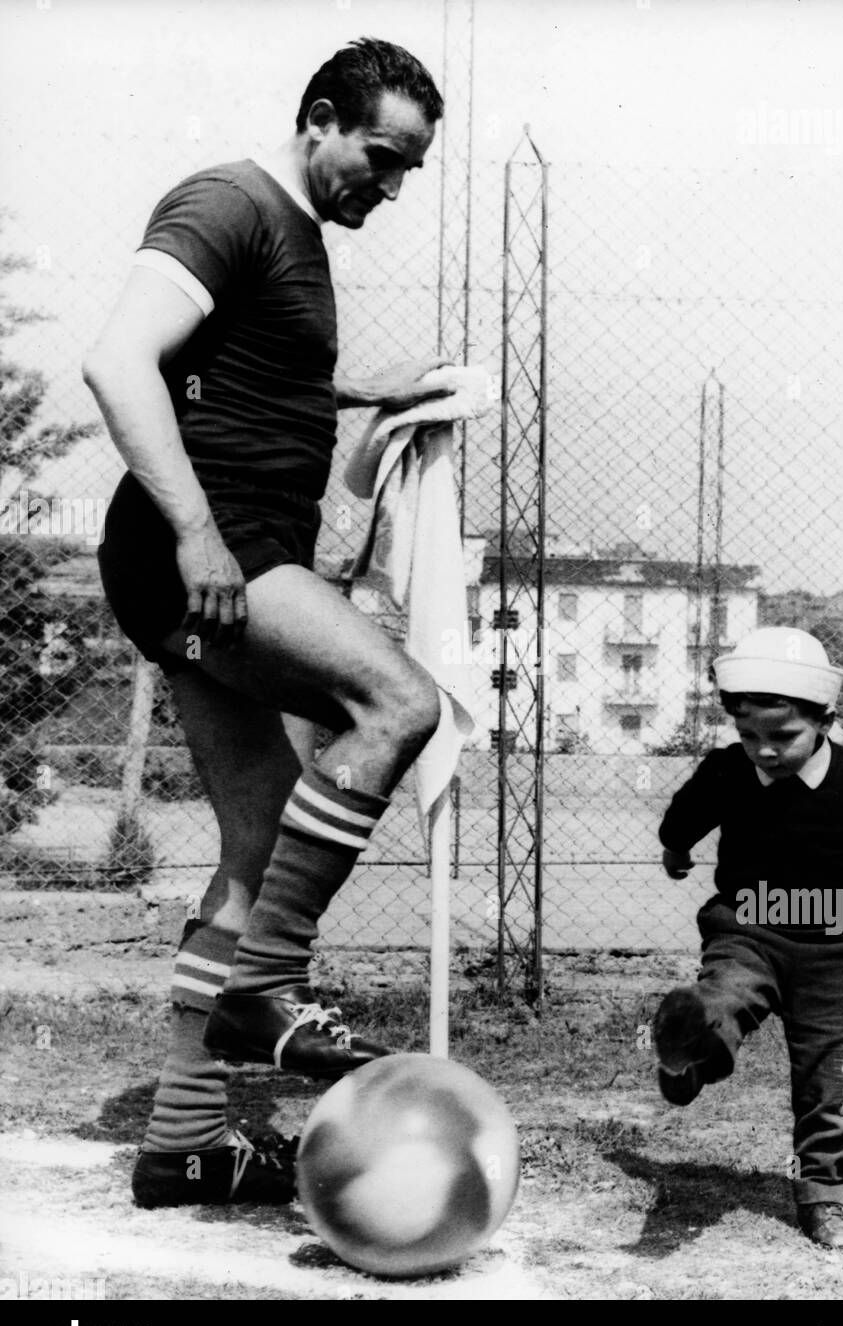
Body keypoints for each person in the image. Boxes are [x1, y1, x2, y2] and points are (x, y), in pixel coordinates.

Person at [83, 38, 452, 1208]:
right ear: (320, 119)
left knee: (255, 842)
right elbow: (119, 361)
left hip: (237, 557)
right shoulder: (230, 202)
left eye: (407, 173)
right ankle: (268, 988)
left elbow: (241, 369)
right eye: (380, 159)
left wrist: (361, 388)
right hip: (214, 553)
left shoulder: (290, 237)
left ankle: (183, 1140)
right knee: (400, 703)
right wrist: (197, 535)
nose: (387, 189)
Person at [653, 626, 843, 1248]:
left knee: (837, 1073)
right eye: (748, 735)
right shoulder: (728, 771)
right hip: (747, 928)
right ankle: (688, 1054)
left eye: (782, 736)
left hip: (830, 951)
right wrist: (676, 846)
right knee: (722, 998)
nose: (764, 751)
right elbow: (687, 811)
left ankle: (824, 1196)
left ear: (825, 721)